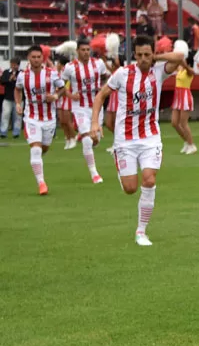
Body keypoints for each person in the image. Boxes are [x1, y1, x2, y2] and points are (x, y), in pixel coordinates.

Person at [88, 36, 187, 246]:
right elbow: (100, 96)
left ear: (152, 54)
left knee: (149, 180)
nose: (143, 59)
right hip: (125, 140)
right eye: (140, 55)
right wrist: (94, 124)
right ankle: (121, 165)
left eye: (147, 55)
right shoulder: (122, 74)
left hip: (150, 137)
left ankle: (141, 232)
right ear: (134, 55)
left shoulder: (158, 71)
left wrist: (156, 57)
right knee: (130, 188)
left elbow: (179, 57)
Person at [17, 46, 64, 195]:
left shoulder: (52, 74)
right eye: (33, 57)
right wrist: (18, 103)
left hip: (49, 119)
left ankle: (37, 159)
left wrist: (56, 96)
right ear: (28, 58)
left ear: (42, 58)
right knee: (36, 149)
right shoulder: (22, 76)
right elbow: (17, 89)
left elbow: (62, 88)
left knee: (44, 148)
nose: (36, 60)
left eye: (38, 57)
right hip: (31, 117)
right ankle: (41, 183)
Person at [61, 40, 110, 183]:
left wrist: (104, 89)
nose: (86, 52)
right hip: (80, 107)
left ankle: (86, 136)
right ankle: (94, 173)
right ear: (77, 51)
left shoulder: (98, 64)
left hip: (96, 106)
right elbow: (61, 85)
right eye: (83, 50)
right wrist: (70, 95)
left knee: (95, 139)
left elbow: (106, 77)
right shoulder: (70, 67)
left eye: (88, 49)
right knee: (88, 140)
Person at [168, 52, 198, 155]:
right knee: (174, 123)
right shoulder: (180, 69)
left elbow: (189, 70)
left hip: (185, 96)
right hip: (178, 96)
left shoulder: (190, 71)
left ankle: (191, 145)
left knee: (183, 123)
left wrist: (182, 62)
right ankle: (186, 142)